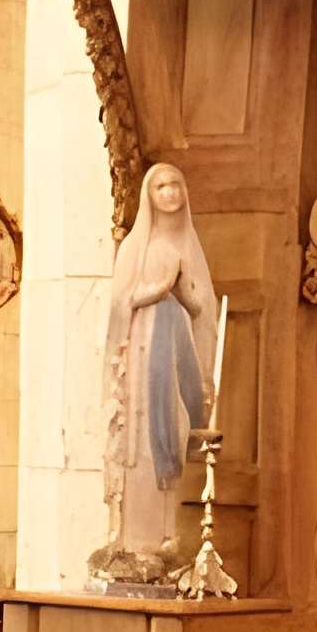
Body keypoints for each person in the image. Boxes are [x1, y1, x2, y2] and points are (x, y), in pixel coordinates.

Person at [101, 161, 218, 558]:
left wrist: (182, 291)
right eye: (161, 186)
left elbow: (202, 307)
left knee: (176, 426)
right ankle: (136, 541)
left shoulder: (189, 244)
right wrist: (156, 289)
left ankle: (170, 536)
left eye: (175, 185)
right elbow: (122, 302)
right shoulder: (137, 245)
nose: (169, 193)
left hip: (176, 350)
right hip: (142, 351)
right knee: (143, 443)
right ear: (149, 196)